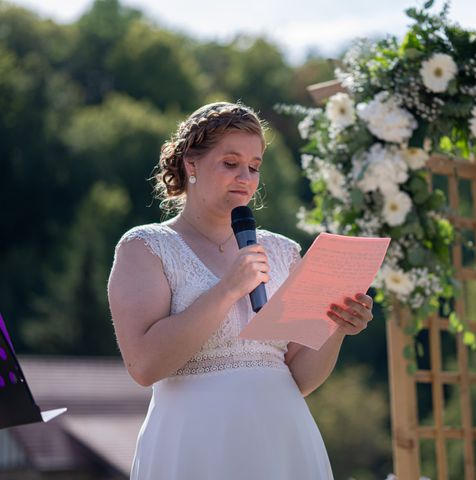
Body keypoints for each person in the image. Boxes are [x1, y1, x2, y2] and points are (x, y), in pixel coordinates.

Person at [107, 101, 374, 479]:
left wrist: (336, 328)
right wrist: (228, 288)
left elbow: (299, 380)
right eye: (230, 163)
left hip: (282, 441)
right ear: (191, 164)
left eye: (254, 166)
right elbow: (145, 365)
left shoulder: (283, 251)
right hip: (194, 444)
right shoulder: (146, 247)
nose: (245, 177)